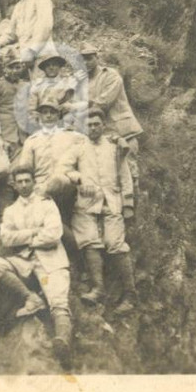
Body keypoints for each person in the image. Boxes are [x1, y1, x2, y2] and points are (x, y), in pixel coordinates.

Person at [0, 166, 72, 366]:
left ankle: (63, 342)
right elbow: (7, 238)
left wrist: (25, 239)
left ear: (34, 182)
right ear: (14, 185)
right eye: (20, 182)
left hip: (51, 260)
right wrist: (34, 232)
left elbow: (53, 235)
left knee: (59, 302)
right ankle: (30, 297)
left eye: (27, 181)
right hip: (24, 262)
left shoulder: (47, 204)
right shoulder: (11, 211)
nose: (24, 185)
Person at [74, 109, 137, 313]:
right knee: (88, 239)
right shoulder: (78, 147)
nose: (93, 128)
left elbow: (125, 175)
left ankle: (130, 294)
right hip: (87, 202)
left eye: (96, 124)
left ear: (103, 126)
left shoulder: (114, 147)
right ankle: (98, 289)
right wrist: (78, 180)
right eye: (89, 125)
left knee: (114, 242)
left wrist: (128, 204)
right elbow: (67, 169)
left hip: (112, 200)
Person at [14, 92, 88, 229]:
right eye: (45, 112)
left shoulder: (71, 136)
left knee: (58, 181)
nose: (48, 116)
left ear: (58, 115)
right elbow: (25, 169)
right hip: (40, 187)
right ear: (40, 116)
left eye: (52, 112)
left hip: (64, 189)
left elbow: (91, 144)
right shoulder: (32, 141)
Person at [81, 42, 143, 193]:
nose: (86, 63)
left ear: (97, 58)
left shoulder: (111, 75)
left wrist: (76, 108)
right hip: (103, 134)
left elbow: (103, 102)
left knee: (130, 175)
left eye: (89, 58)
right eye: (82, 60)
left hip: (123, 132)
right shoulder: (82, 81)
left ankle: (134, 204)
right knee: (110, 178)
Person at [27, 52, 82, 133]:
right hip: (44, 122)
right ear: (44, 68)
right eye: (48, 65)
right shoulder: (37, 86)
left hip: (65, 121)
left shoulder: (69, 83)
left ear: (59, 66)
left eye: (54, 65)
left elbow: (76, 104)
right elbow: (32, 110)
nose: (51, 67)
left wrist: (68, 107)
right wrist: (37, 124)